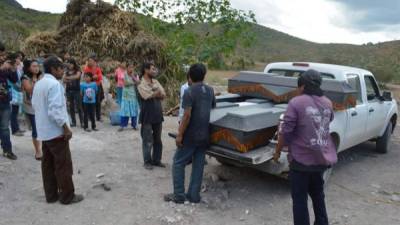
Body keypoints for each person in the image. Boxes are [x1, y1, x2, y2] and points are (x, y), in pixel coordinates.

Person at [273, 69, 337, 225]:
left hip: (300, 162)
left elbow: (285, 132)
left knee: (300, 200)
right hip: (320, 160)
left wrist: (277, 152)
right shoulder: (328, 102)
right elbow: (330, 120)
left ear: (301, 86)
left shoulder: (296, 102)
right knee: (318, 195)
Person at [32, 56, 83, 204]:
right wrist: (65, 128)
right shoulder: (54, 85)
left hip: (44, 132)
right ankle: (67, 196)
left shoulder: (39, 84)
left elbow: (36, 106)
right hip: (56, 132)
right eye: (61, 68)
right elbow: (55, 111)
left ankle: (51, 195)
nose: (63, 71)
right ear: (53, 69)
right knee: (63, 165)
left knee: (47, 165)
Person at [164, 63, 216, 204]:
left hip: (190, 135)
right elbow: (211, 108)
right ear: (204, 76)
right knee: (198, 166)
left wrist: (180, 134)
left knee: (178, 162)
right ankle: (194, 196)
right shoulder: (210, 90)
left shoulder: (189, 92)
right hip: (204, 135)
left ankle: (179, 196)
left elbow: (186, 115)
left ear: (190, 77)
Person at [137, 62, 166, 170]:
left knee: (158, 139)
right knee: (147, 139)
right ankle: (147, 161)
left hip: (158, 114)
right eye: (152, 69)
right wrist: (155, 92)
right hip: (147, 115)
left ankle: (157, 160)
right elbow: (145, 96)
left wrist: (154, 93)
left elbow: (163, 94)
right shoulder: (140, 83)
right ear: (146, 70)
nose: (155, 71)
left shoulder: (156, 81)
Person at [21, 59, 42, 160]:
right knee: (35, 129)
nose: (36, 68)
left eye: (37, 66)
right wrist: (34, 80)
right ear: (29, 68)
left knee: (42, 127)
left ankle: (42, 148)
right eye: (34, 66)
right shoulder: (25, 77)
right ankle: (38, 151)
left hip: (41, 106)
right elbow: (29, 90)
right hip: (31, 107)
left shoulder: (42, 76)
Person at [0, 53, 19, 160]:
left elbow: (14, 80)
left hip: (5, 101)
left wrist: (13, 68)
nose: (2, 57)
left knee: (5, 128)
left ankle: (7, 150)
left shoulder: (6, 66)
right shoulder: (3, 67)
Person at [118, 62, 139, 132]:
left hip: (133, 95)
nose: (131, 69)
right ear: (127, 68)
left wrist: (133, 77)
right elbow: (126, 83)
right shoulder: (124, 74)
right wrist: (134, 82)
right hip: (126, 95)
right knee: (125, 111)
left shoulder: (135, 75)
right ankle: (122, 125)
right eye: (130, 67)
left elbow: (138, 82)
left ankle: (134, 125)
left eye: (132, 67)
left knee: (134, 111)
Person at [83, 55, 104, 122]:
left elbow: (100, 77)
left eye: (91, 61)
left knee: (98, 102)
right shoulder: (86, 69)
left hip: (97, 86)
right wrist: (93, 77)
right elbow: (85, 78)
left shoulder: (97, 68)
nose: (90, 62)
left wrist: (96, 76)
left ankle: (98, 117)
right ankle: (90, 116)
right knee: (90, 102)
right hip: (89, 87)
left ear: (94, 62)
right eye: (89, 61)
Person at [9, 52, 25, 136]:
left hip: (18, 91)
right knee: (13, 112)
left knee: (16, 111)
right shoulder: (11, 68)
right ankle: (15, 130)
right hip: (13, 91)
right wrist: (19, 87)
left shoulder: (19, 68)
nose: (20, 60)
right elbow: (14, 80)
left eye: (20, 58)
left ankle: (17, 128)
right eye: (19, 58)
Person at [64, 58, 83, 128]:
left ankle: (82, 122)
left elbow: (77, 76)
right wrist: (71, 78)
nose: (69, 65)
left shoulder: (78, 70)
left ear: (73, 64)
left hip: (76, 90)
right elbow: (64, 80)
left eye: (70, 64)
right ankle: (74, 122)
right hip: (68, 91)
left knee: (79, 107)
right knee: (71, 107)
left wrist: (68, 78)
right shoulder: (66, 71)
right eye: (68, 64)